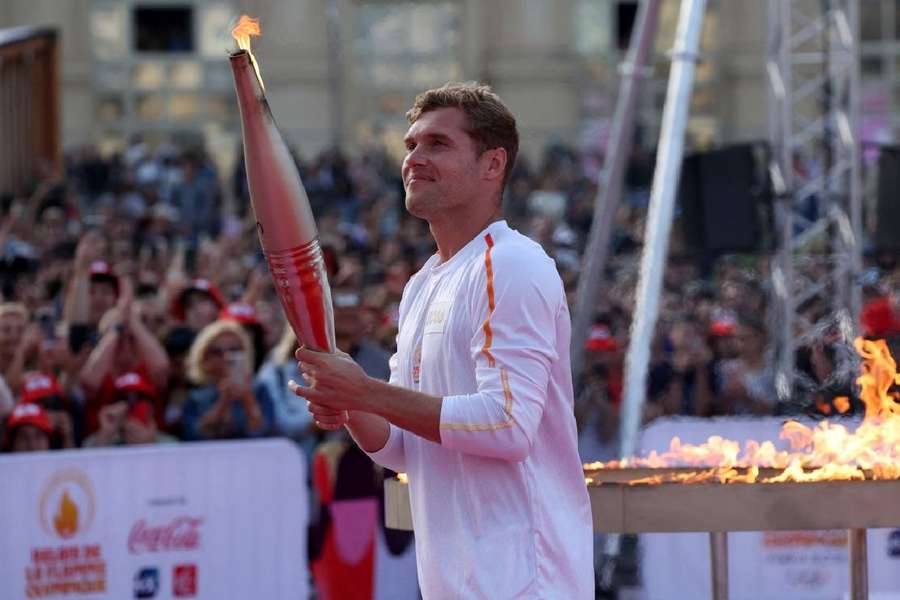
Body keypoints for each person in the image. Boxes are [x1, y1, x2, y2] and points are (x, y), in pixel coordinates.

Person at [292, 83, 593, 598]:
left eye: (437, 145)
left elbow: (506, 426)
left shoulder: (511, 264)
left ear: (492, 165)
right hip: (452, 580)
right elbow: (403, 448)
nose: (414, 159)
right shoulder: (423, 283)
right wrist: (348, 402)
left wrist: (363, 391)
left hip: (525, 580)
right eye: (411, 146)